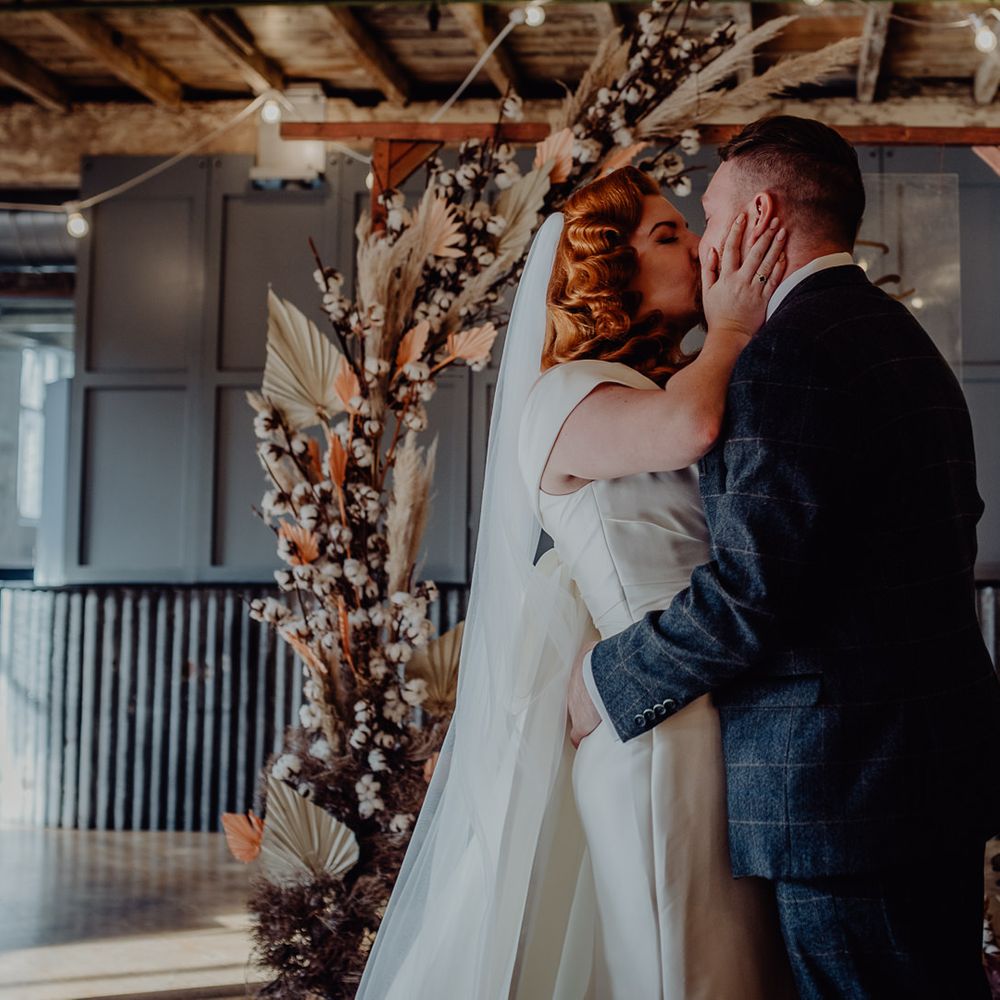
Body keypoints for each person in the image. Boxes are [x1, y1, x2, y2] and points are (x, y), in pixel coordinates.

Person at [568, 115, 1000, 999]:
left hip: (845, 788)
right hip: (923, 767)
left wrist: (610, 683)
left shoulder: (788, 355)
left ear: (761, 215)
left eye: (712, 214)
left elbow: (753, 591)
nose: (704, 243)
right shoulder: (896, 335)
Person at [357, 161, 795, 999]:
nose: (701, 248)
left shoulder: (638, 384)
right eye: (669, 235)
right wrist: (734, 329)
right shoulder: (565, 394)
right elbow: (690, 427)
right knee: (685, 975)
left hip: (703, 703)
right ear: (608, 267)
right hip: (660, 730)